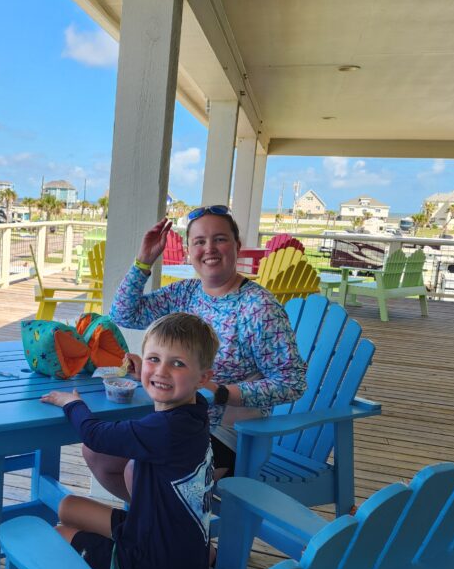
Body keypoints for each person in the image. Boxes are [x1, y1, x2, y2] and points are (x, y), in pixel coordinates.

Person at [105, 206, 307, 498]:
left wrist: (223, 392)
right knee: (98, 453)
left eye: (220, 239)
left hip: (226, 434)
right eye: (199, 241)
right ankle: (155, 526)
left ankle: (163, 532)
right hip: (173, 415)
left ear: (237, 247)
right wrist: (144, 262)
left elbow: (292, 382)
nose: (209, 248)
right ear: (189, 251)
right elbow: (124, 314)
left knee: (139, 472)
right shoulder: (185, 293)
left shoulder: (258, 308)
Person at [40, 312, 217, 569]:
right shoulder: (194, 412)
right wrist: (148, 378)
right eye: (154, 359)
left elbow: (93, 435)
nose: (161, 371)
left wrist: (72, 404)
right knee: (68, 506)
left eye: (177, 363)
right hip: (173, 549)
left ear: (203, 378)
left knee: (58, 539)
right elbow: (162, 404)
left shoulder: (166, 429)